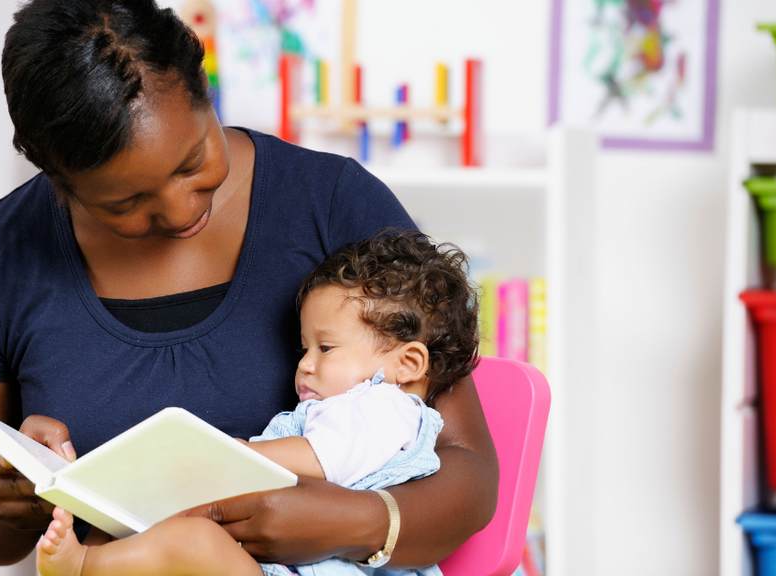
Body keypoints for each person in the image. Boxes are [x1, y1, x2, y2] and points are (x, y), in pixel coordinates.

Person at [0, 0, 498, 569]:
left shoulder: (331, 204)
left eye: (191, 161)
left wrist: (350, 523)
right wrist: (17, 499)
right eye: (126, 202)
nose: (177, 211)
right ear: (57, 179)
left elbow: (468, 468)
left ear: (204, 88)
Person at [34, 231, 480, 576]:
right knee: (140, 530)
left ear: (409, 362)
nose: (304, 366)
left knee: (194, 543)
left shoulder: (385, 408)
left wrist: (234, 454)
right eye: (303, 349)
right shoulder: (352, 405)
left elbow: (323, 459)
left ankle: (82, 567)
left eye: (325, 349)